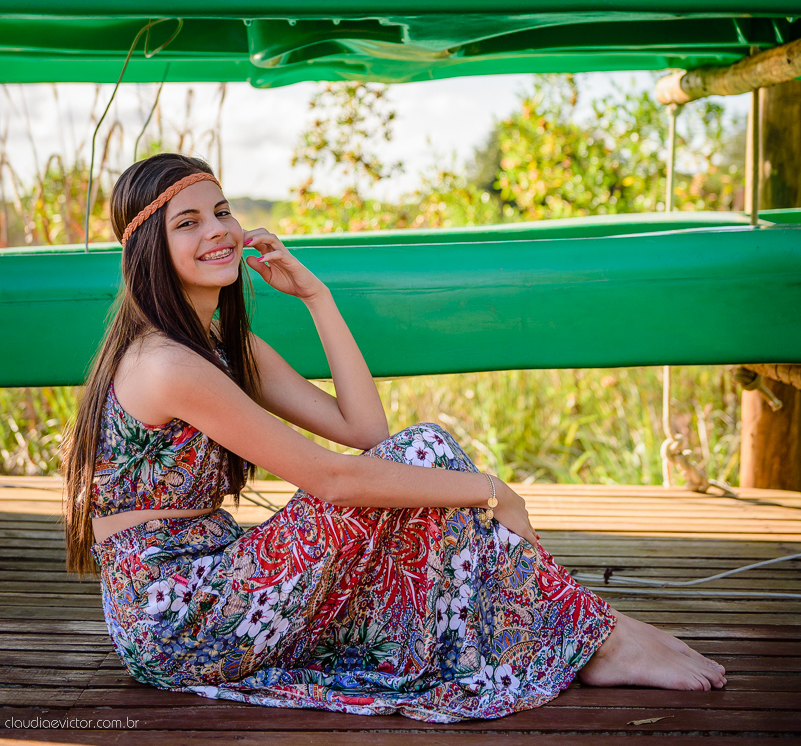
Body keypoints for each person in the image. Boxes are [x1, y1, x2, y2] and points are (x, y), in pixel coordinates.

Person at [63, 152, 725, 723]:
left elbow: (364, 431)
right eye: (189, 222)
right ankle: (596, 637)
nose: (219, 231)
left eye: (223, 211)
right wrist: (492, 491)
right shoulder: (167, 364)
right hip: (179, 619)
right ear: (147, 249)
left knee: (415, 458)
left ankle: (590, 633)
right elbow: (335, 477)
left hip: (220, 581)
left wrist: (316, 296)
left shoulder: (218, 346)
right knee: (423, 459)